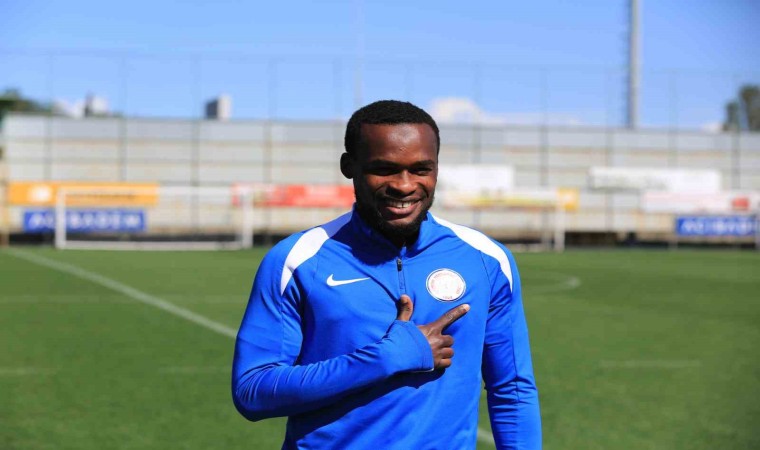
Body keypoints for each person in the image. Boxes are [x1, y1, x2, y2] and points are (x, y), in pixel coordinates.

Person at [232, 100, 542, 449]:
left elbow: (512, 389)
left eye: (421, 169)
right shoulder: (298, 261)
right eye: (384, 169)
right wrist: (387, 357)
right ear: (349, 166)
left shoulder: (486, 260)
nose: (404, 186)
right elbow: (252, 391)